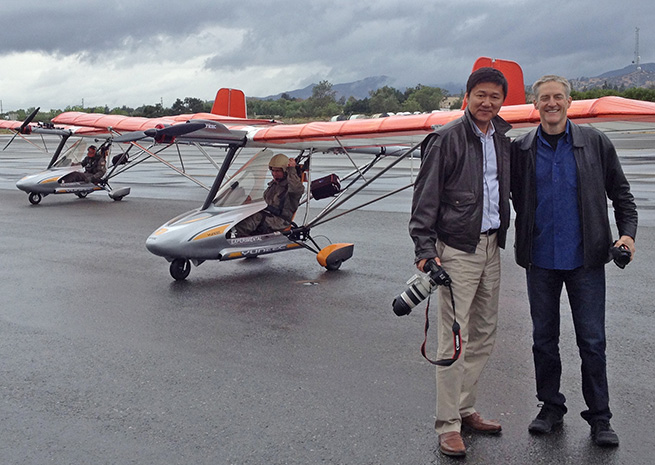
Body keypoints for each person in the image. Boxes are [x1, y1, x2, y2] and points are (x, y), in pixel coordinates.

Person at [510, 75, 637, 447]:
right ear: (535, 104)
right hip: (541, 260)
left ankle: (600, 417)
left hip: (586, 260)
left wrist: (627, 234)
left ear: (569, 101)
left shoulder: (595, 142)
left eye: (558, 97)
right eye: (544, 98)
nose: (551, 103)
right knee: (543, 340)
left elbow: (622, 194)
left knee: (593, 342)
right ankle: (550, 407)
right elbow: (499, 190)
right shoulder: (521, 150)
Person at [408, 67, 511, 457]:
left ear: (503, 101)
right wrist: (424, 250)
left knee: (484, 333)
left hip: (491, 248)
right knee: (454, 340)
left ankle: (465, 408)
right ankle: (447, 425)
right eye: (481, 95)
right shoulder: (445, 139)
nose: (487, 102)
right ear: (467, 96)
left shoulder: (502, 137)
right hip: (456, 250)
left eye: (495, 97)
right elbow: (425, 198)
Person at [234, 153, 304, 236]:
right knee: (242, 215)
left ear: (285, 170)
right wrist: (251, 202)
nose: (274, 173)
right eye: (273, 170)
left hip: (280, 220)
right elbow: (267, 202)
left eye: (277, 171)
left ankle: (238, 239)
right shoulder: (274, 184)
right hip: (267, 215)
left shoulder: (291, 187)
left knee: (254, 218)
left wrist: (292, 169)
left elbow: (297, 189)